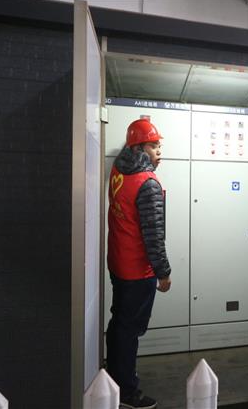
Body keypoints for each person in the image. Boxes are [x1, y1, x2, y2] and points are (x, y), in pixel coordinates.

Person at [106, 118, 172, 409]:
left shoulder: (118, 171)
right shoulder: (147, 183)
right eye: (153, 146)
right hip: (137, 270)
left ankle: (114, 377)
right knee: (130, 330)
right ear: (138, 147)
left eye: (159, 146)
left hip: (118, 263)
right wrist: (163, 272)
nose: (159, 151)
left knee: (119, 324)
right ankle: (126, 391)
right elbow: (153, 234)